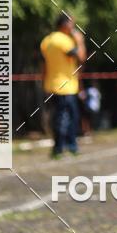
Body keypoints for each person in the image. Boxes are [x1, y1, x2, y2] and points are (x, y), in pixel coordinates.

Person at [40, 13, 86, 159]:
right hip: (66, 86)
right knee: (69, 117)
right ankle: (66, 146)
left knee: (59, 116)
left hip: (51, 84)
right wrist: (80, 41)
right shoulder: (65, 41)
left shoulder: (47, 40)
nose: (73, 27)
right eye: (72, 23)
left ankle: (59, 147)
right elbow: (81, 57)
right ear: (65, 24)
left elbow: (43, 65)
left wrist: (43, 82)